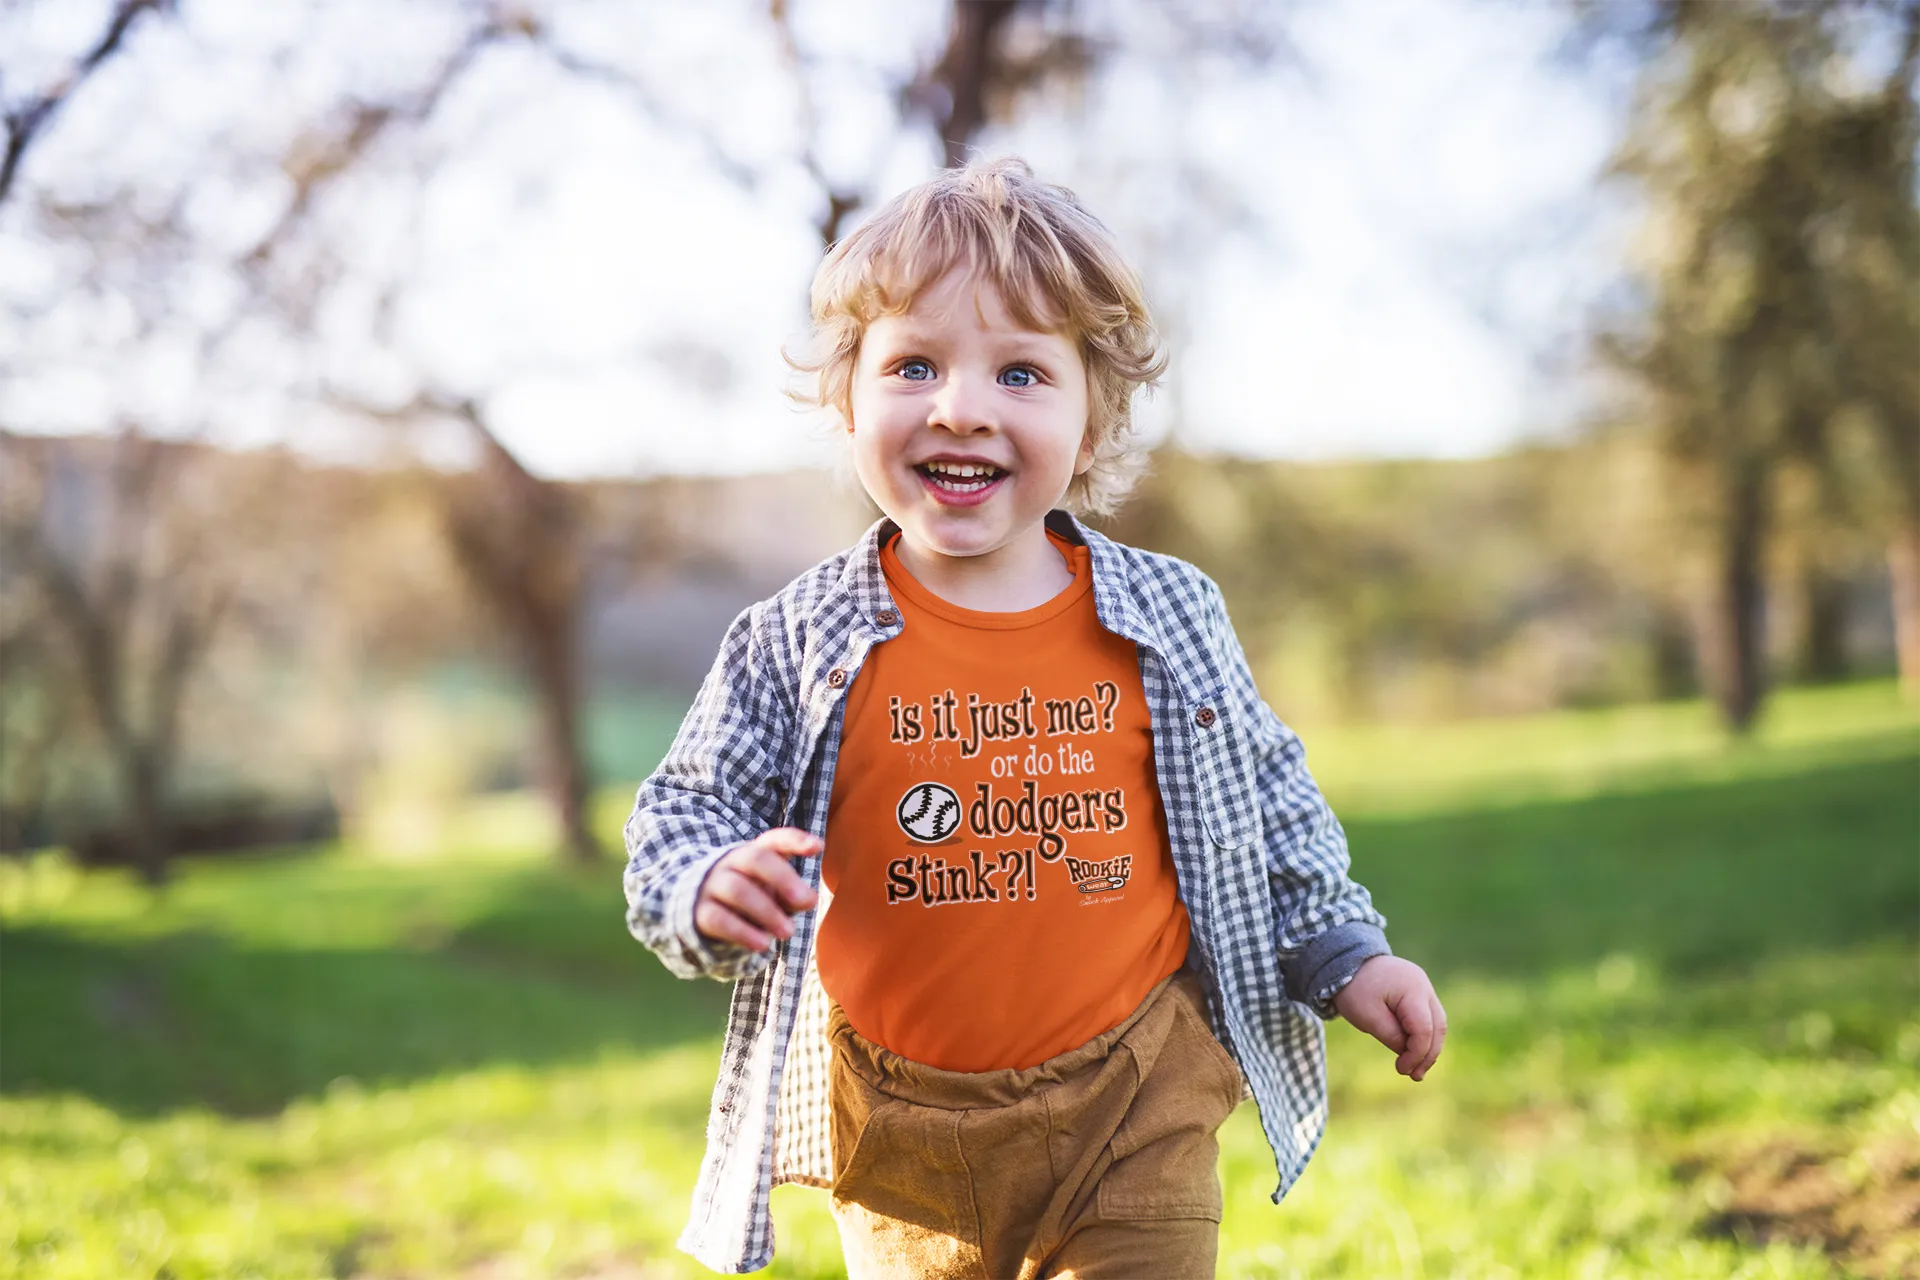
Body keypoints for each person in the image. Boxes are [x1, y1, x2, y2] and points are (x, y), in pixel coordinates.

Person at [623, 156, 1446, 1279]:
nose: (961, 406)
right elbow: (683, 809)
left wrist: (1344, 949)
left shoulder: (1166, 612)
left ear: (1093, 420)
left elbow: (1266, 795)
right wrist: (705, 882)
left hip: (1134, 1097)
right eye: (914, 364)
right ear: (849, 397)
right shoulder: (798, 641)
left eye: (1020, 372)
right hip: (906, 1131)